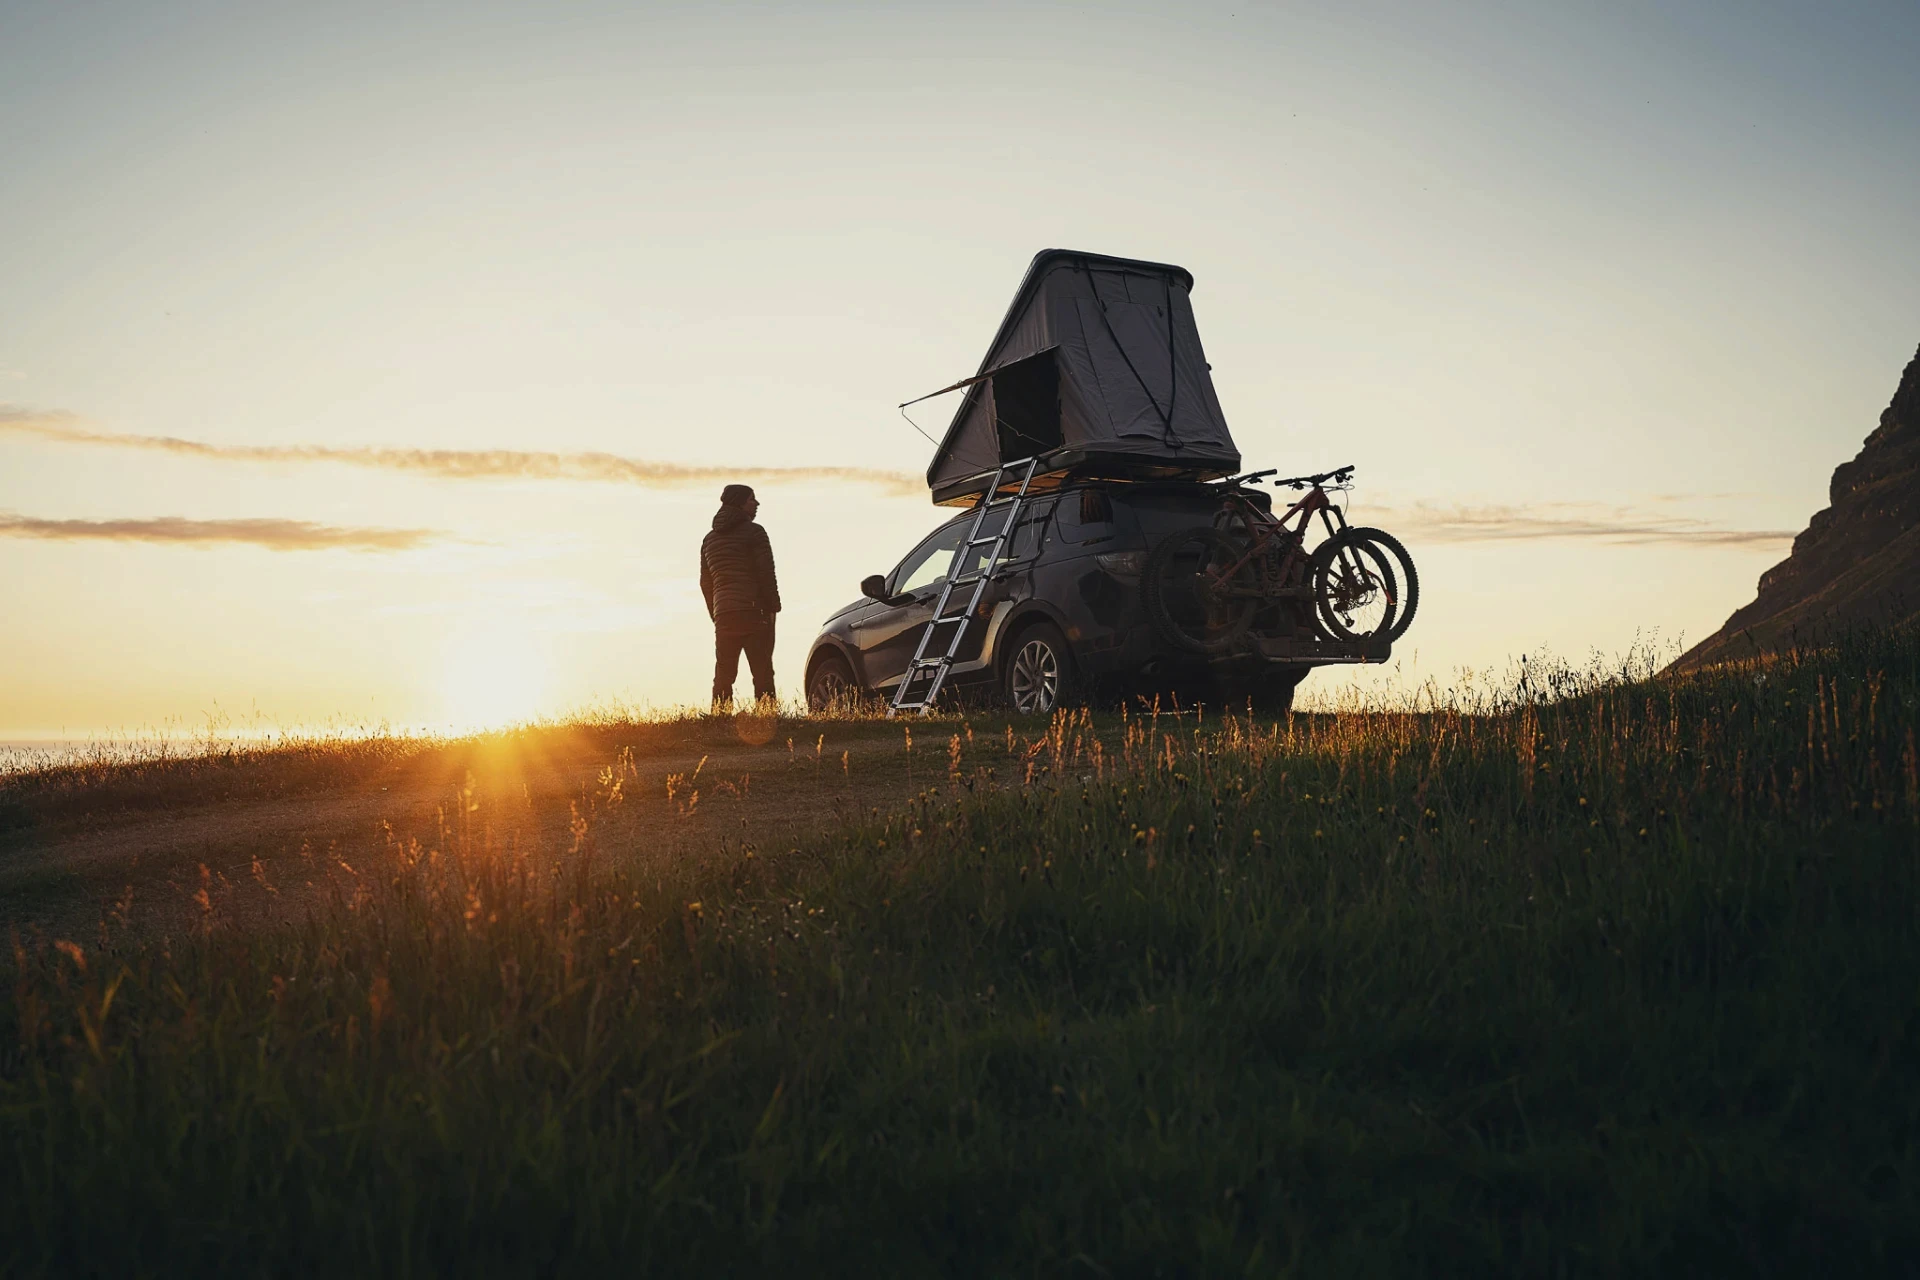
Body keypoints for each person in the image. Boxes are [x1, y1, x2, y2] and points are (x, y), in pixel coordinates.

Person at [700, 483, 781, 711]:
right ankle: (767, 717)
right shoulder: (755, 532)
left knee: (724, 672)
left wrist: (716, 612)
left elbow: (706, 583)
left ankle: (720, 718)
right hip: (755, 611)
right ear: (740, 503)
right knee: (762, 670)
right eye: (751, 499)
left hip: (724, 614)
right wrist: (774, 606)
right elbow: (766, 573)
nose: (756, 504)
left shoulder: (709, 540)